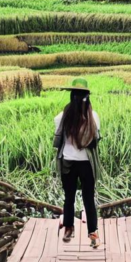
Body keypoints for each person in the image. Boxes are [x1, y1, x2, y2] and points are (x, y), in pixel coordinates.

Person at [53, 78, 102, 248]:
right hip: (86, 164)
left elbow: (57, 140)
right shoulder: (93, 117)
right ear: (88, 97)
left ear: (71, 96)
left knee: (69, 197)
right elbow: (96, 140)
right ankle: (93, 233)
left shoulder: (61, 117)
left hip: (68, 162)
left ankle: (68, 228)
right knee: (89, 197)